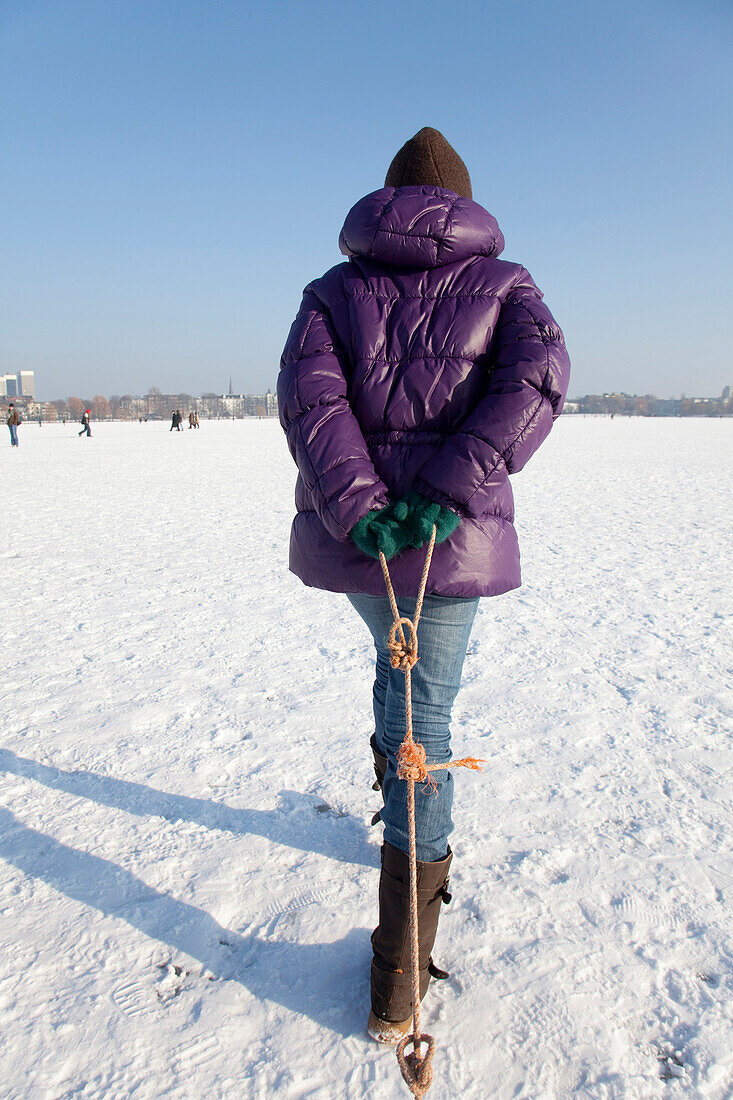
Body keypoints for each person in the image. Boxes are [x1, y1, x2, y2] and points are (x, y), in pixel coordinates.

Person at [277, 127, 570, 1043]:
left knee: (398, 683)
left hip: (363, 543)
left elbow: (308, 398)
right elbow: (539, 377)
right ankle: (398, 975)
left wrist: (363, 508)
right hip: (448, 541)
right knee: (423, 725)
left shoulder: (332, 291)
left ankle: (393, 826)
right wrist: (446, 494)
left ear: (385, 200)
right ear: (466, 206)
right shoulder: (507, 283)